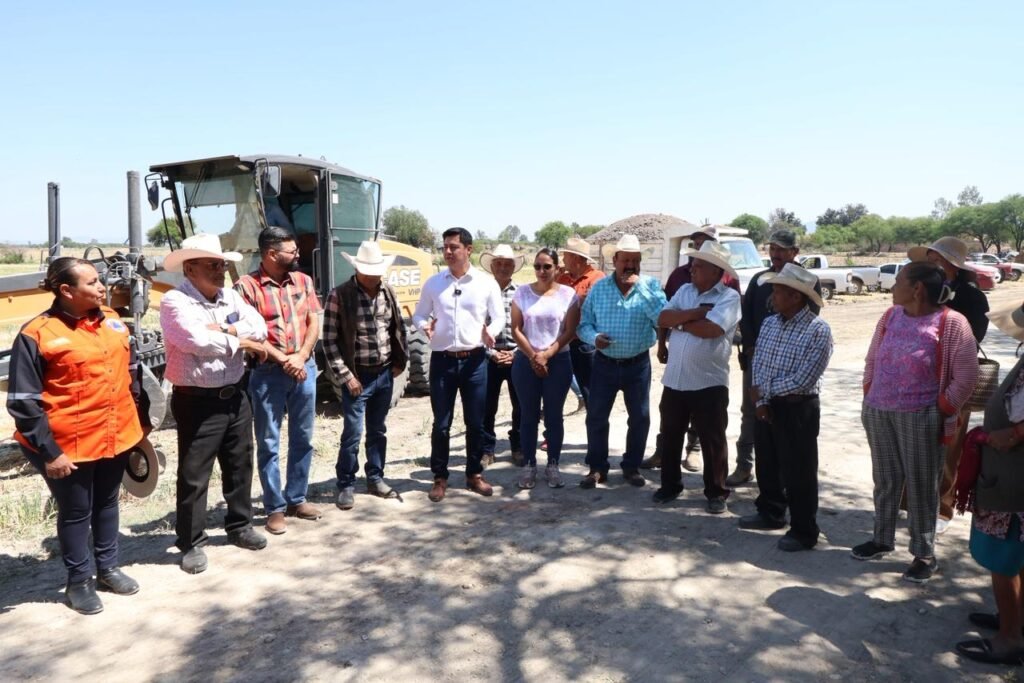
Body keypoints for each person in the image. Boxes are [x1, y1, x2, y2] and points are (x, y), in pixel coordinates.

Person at [6, 257, 150, 614]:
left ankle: (108, 568)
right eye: (92, 283)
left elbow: (132, 377)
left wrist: (141, 425)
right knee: (75, 511)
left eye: (100, 281)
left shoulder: (114, 323)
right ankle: (78, 581)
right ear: (66, 290)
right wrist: (50, 452)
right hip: (65, 444)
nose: (103, 287)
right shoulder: (37, 333)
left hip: (116, 434)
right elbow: (23, 402)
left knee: (107, 502)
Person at [852, 262, 978, 582]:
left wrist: (942, 407)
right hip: (880, 412)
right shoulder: (890, 316)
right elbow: (872, 358)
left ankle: (924, 553)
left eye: (898, 282)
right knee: (886, 479)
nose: (893, 287)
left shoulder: (952, 323)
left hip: (921, 416)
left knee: (922, 485)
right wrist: (870, 391)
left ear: (917, 288)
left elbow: (965, 376)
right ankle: (882, 538)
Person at [161, 233, 270, 574]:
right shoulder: (175, 302)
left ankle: (239, 526)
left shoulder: (230, 297)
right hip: (197, 400)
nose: (220, 270)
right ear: (190, 268)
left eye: (222, 264)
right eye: (213, 264)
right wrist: (238, 335)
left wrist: (222, 329)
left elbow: (260, 329)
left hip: (235, 394)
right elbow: (195, 341)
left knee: (240, 463)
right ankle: (191, 542)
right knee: (195, 473)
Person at [234, 226, 322, 535]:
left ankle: (297, 498)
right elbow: (247, 333)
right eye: (292, 251)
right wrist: (284, 359)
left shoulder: (303, 281)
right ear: (272, 254)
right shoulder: (246, 287)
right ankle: (275, 507)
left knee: (303, 437)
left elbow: (314, 320)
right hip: (268, 373)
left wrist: (301, 356)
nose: (298, 255)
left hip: (304, 367)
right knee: (269, 442)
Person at [738, 264, 833, 551]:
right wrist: (762, 401)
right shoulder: (770, 323)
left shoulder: (818, 331)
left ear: (796, 297)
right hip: (769, 403)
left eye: (778, 291)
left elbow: (804, 379)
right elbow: (762, 365)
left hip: (798, 407)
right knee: (768, 462)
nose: (773, 296)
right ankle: (770, 512)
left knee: (799, 472)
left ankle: (804, 530)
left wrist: (763, 392)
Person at [413, 227, 505, 502]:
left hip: (475, 361)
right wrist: (423, 326)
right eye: (445, 247)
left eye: (454, 247)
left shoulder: (486, 283)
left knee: (475, 422)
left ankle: (474, 474)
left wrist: (492, 331)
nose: (448, 252)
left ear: (469, 250)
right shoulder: (434, 283)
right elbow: (418, 315)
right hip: (442, 361)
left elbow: (498, 317)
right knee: (441, 424)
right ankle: (440, 477)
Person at [955, 301, 1024, 666]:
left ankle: (1009, 639)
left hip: (1015, 483)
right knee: (1016, 557)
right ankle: (1014, 621)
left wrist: (1011, 435)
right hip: (1010, 476)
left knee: (1004, 558)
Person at [907, 236, 990, 534]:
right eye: (928, 259)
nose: (930, 265)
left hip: (955, 382)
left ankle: (942, 508)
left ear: (951, 265)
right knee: (914, 444)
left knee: (948, 447)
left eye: (935, 259)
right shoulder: (918, 292)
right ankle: (912, 503)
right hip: (918, 381)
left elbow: (972, 340)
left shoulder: (971, 297)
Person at [651, 241, 741, 514]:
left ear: (716, 272)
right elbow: (663, 317)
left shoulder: (729, 297)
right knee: (670, 435)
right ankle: (670, 485)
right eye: (693, 264)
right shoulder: (685, 291)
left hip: (708, 381)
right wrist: (691, 316)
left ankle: (716, 492)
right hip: (676, 380)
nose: (692, 269)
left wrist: (680, 322)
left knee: (712, 439)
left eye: (699, 266)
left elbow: (713, 329)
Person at [731, 229, 822, 486]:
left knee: (782, 417)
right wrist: (751, 348)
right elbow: (746, 316)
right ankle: (744, 465)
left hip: (790, 364)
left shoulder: (808, 281)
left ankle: (779, 475)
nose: (776, 254)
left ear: (795, 252)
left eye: (782, 249)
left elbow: (807, 321)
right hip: (758, 361)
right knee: (751, 411)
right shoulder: (760, 279)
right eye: (772, 248)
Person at [577, 234, 667, 489]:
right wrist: (594, 338)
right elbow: (584, 324)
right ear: (615, 260)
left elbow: (663, 319)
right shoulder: (600, 288)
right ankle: (597, 468)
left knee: (639, 417)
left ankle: (631, 467)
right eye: (625, 260)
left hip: (637, 365)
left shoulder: (651, 286)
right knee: (596, 416)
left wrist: (641, 288)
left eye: (635, 260)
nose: (630, 265)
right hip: (604, 363)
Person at [323, 240, 408, 509]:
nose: (374, 275)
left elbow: (397, 328)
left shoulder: (388, 292)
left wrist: (399, 362)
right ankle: (346, 483)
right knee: (352, 432)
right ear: (358, 269)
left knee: (378, 429)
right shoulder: (340, 295)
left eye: (377, 270)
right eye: (369, 270)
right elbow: (329, 341)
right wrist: (346, 376)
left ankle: (375, 477)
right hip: (357, 377)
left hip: (383, 374)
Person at [510, 248, 580, 489]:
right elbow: (516, 329)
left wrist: (548, 354)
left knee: (554, 416)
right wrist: (534, 356)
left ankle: (553, 465)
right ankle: (529, 465)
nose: (541, 271)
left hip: (558, 361)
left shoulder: (569, 295)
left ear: (557, 268)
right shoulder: (522, 293)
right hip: (525, 362)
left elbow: (570, 330)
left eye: (547, 266)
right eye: (538, 266)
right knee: (528, 416)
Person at [479, 244, 524, 466]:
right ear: (492, 266)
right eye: (499, 264)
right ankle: (487, 449)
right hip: (489, 358)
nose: (503, 268)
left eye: (508, 264)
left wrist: (517, 353)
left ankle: (518, 446)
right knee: (487, 406)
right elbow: (475, 327)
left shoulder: (522, 292)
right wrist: (490, 353)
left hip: (517, 356)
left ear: (514, 267)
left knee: (521, 404)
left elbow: (529, 327)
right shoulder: (481, 291)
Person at [557, 236, 604, 411]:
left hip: (585, 343)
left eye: (566, 256)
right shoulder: (562, 279)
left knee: (590, 389)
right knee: (556, 388)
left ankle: (595, 432)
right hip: (564, 342)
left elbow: (593, 306)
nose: (563, 260)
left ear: (575, 258)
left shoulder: (597, 278)